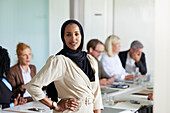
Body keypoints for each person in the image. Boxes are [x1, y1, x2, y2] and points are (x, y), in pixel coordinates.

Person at [26, 20, 103, 113]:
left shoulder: (90, 60)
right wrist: (55, 105)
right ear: (63, 37)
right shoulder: (59, 61)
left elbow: (96, 94)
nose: (73, 39)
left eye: (76, 34)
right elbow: (33, 86)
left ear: (81, 36)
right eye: (68, 34)